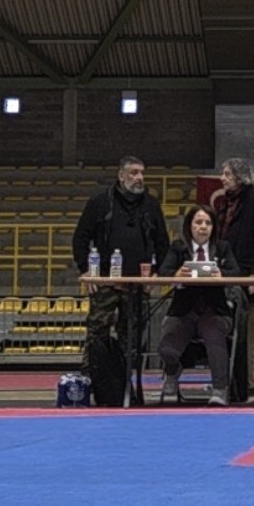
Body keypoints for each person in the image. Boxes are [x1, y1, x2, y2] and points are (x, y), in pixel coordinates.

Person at [72, 155, 169, 406]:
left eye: (142, 173)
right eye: (134, 173)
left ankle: (128, 387)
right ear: (121, 175)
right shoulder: (100, 202)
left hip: (138, 285)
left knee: (133, 339)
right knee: (96, 335)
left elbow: (163, 244)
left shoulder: (151, 205)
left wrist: (158, 274)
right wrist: (86, 270)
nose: (139, 178)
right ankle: (86, 386)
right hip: (104, 282)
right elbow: (80, 238)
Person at [157, 205, 244, 406]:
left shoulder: (223, 248)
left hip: (214, 311)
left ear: (213, 227)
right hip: (183, 311)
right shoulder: (178, 247)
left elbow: (237, 273)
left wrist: (222, 276)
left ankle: (220, 389)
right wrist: (176, 275)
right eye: (198, 222)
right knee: (167, 348)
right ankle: (171, 371)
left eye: (208, 223)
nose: (203, 227)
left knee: (215, 338)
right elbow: (163, 272)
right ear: (189, 226)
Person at [214, 157, 254, 397]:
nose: (222, 179)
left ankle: (249, 381)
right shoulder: (226, 204)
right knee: (233, 332)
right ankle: (233, 380)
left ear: (240, 178)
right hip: (229, 276)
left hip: (250, 278)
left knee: (248, 333)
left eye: (227, 174)